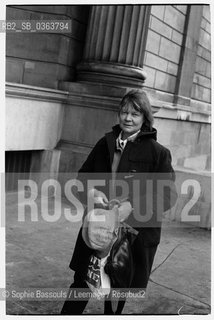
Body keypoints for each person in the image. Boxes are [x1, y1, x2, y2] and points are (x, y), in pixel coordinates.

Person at [61, 89, 178, 314]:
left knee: (116, 293)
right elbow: (81, 179)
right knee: (81, 284)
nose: (128, 118)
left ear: (145, 118)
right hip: (97, 228)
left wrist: (131, 206)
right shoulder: (105, 143)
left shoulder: (158, 153)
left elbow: (167, 195)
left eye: (135, 113)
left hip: (132, 236)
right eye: (124, 112)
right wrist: (92, 192)